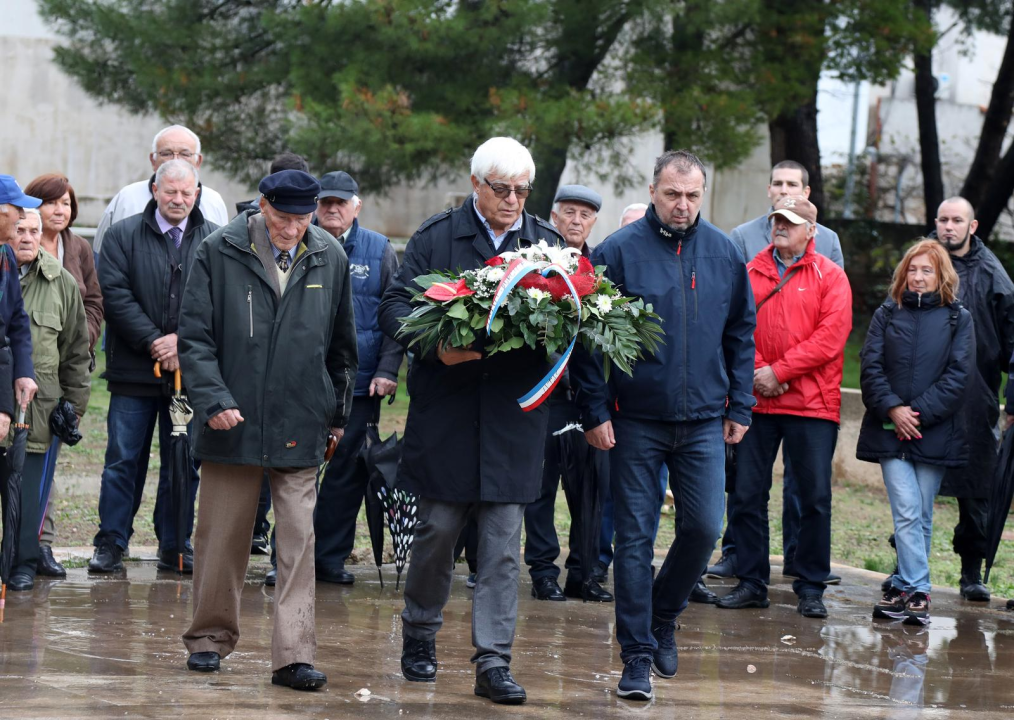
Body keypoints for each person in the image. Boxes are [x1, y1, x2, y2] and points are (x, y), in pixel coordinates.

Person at [378, 136, 563, 705]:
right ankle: (420, 633)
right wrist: (437, 348)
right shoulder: (437, 237)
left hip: (512, 420)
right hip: (449, 416)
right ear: (476, 185)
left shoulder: (546, 244)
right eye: (502, 189)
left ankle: (493, 662)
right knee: (436, 532)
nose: (513, 200)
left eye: (522, 190)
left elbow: (572, 315)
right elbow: (394, 308)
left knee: (505, 545)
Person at [569, 150, 756, 701]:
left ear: (704, 195)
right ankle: (637, 655)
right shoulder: (617, 253)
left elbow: (741, 333)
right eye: (673, 194)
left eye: (692, 195)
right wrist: (594, 410)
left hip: (703, 421)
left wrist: (740, 406)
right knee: (634, 538)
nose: (682, 204)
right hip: (634, 421)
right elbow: (585, 333)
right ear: (653, 191)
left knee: (702, 528)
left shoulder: (724, 252)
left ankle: (664, 613)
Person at [179, 169, 357, 691]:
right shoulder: (218, 249)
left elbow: (342, 349)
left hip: (301, 419)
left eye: (304, 218)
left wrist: (338, 414)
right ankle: (208, 638)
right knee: (220, 538)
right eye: (284, 218)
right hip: (230, 421)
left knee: (298, 543)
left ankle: (293, 655)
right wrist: (212, 399)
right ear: (262, 206)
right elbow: (194, 336)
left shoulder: (329, 255)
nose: (294, 229)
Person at [716, 195, 852, 620]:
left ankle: (810, 586)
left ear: (812, 232)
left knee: (812, 498)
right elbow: (732, 329)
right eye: (777, 220)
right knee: (746, 494)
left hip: (811, 406)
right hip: (755, 402)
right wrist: (759, 372)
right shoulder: (748, 271)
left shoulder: (830, 276)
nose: (780, 227)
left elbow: (831, 337)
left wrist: (780, 372)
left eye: (791, 222)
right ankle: (753, 582)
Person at [89, 160, 216, 574]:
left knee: (183, 461)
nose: (178, 200)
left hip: (188, 375)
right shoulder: (123, 235)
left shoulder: (215, 240)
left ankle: (175, 543)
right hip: (133, 372)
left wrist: (183, 342)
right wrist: (154, 341)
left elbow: (218, 303)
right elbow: (114, 293)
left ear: (196, 194)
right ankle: (111, 541)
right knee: (123, 459)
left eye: (186, 193)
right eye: (170, 192)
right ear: (154, 190)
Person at [858, 240, 972, 624]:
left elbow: (959, 377)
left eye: (927, 271)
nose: (919, 277)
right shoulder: (886, 313)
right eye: (913, 269)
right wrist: (894, 409)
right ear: (903, 273)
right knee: (907, 511)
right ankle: (920, 591)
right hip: (889, 431)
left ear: (942, 276)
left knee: (921, 515)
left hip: (933, 432)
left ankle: (905, 590)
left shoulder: (959, 319)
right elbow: (869, 367)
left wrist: (917, 415)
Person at [313, 170, 403, 585]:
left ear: (356, 206)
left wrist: (387, 370)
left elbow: (395, 316)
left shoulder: (379, 249)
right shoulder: (298, 241)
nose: (332, 209)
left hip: (359, 384)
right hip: (304, 382)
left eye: (341, 202)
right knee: (294, 472)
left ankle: (330, 558)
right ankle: (287, 557)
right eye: (325, 202)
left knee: (347, 474)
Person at [524, 184, 612, 603]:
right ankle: (543, 571)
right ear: (554, 217)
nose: (576, 221)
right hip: (545, 396)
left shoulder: (604, 268)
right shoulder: (535, 265)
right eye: (569, 213)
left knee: (591, 490)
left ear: (594, 221)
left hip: (591, 401)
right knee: (539, 489)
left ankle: (584, 572)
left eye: (586, 214)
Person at [928, 197, 1014, 602]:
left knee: (976, 487)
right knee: (917, 486)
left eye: (956, 220)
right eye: (943, 220)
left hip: (976, 396)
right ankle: (906, 568)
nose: (949, 227)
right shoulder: (921, 262)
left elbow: (1012, 339)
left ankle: (971, 572)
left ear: (972, 225)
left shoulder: (993, 274)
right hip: (923, 394)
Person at [1, 209, 90, 592]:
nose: (27, 237)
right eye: (19, 229)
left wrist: (73, 408)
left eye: (34, 231)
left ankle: (23, 562)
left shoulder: (62, 282)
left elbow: (76, 350)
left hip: (38, 408)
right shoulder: (3, 272)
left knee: (29, 490)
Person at [24, 173, 105, 578]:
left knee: (46, 462)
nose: (60, 210)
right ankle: (20, 544)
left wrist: (81, 335)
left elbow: (92, 301)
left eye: (67, 204)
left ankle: (42, 544)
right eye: (51, 202)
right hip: (27, 369)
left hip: (66, 368)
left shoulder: (79, 248)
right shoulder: (22, 246)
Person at [92, 125, 229, 256]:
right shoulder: (127, 199)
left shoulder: (214, 202)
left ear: (198, 161)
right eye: (166, 153)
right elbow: (101, 257)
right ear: (153, 160)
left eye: (185, 154)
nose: (175, 160)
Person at [0, 175, 41, 418]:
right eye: (18, 209)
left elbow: (16, 319)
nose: (23, 216)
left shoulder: (6, 253)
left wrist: (24, 371)